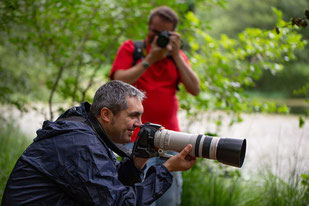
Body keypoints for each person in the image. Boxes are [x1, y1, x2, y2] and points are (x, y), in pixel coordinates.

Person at [1, 80, 197, 206]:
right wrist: (166, 169)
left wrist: (138, 159)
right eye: (133, 116)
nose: (139, 124)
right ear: (106, 114)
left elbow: (105, 184)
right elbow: (118, 203)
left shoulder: (83, 127)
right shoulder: (80, 143)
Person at [110, 5, 200, 206]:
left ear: (173, 33)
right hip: (135, 140)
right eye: (155, 31)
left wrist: (176, 54)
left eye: (164, 33)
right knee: (138, 199)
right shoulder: (133, 49)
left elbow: (195, 88)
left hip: (171, 140)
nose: (157, 36)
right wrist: (150, 59)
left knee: (169, 200)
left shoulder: (175, 57)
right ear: (148, 27)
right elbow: (117, 82)